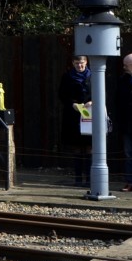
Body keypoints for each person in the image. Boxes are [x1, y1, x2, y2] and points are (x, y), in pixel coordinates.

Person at [58, 55, 91, 186]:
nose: (79, 66)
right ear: (73, 63)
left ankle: (89, 178)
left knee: (89, 147)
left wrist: (92, 101)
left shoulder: (93, 75)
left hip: (89, 114)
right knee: (76, 147)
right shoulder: (67, 76)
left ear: (86, 62)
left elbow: (101, 92)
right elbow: (62, 95)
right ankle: (78, 178)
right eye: (77, 63)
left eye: (82, 63)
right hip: (73, 115)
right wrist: (73, 104)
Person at [109, 53, 132, 192]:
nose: (124, 67)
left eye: (127, 65)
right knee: (129, 153)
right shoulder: (123, 79)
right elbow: (118, 100)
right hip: (128, 125)